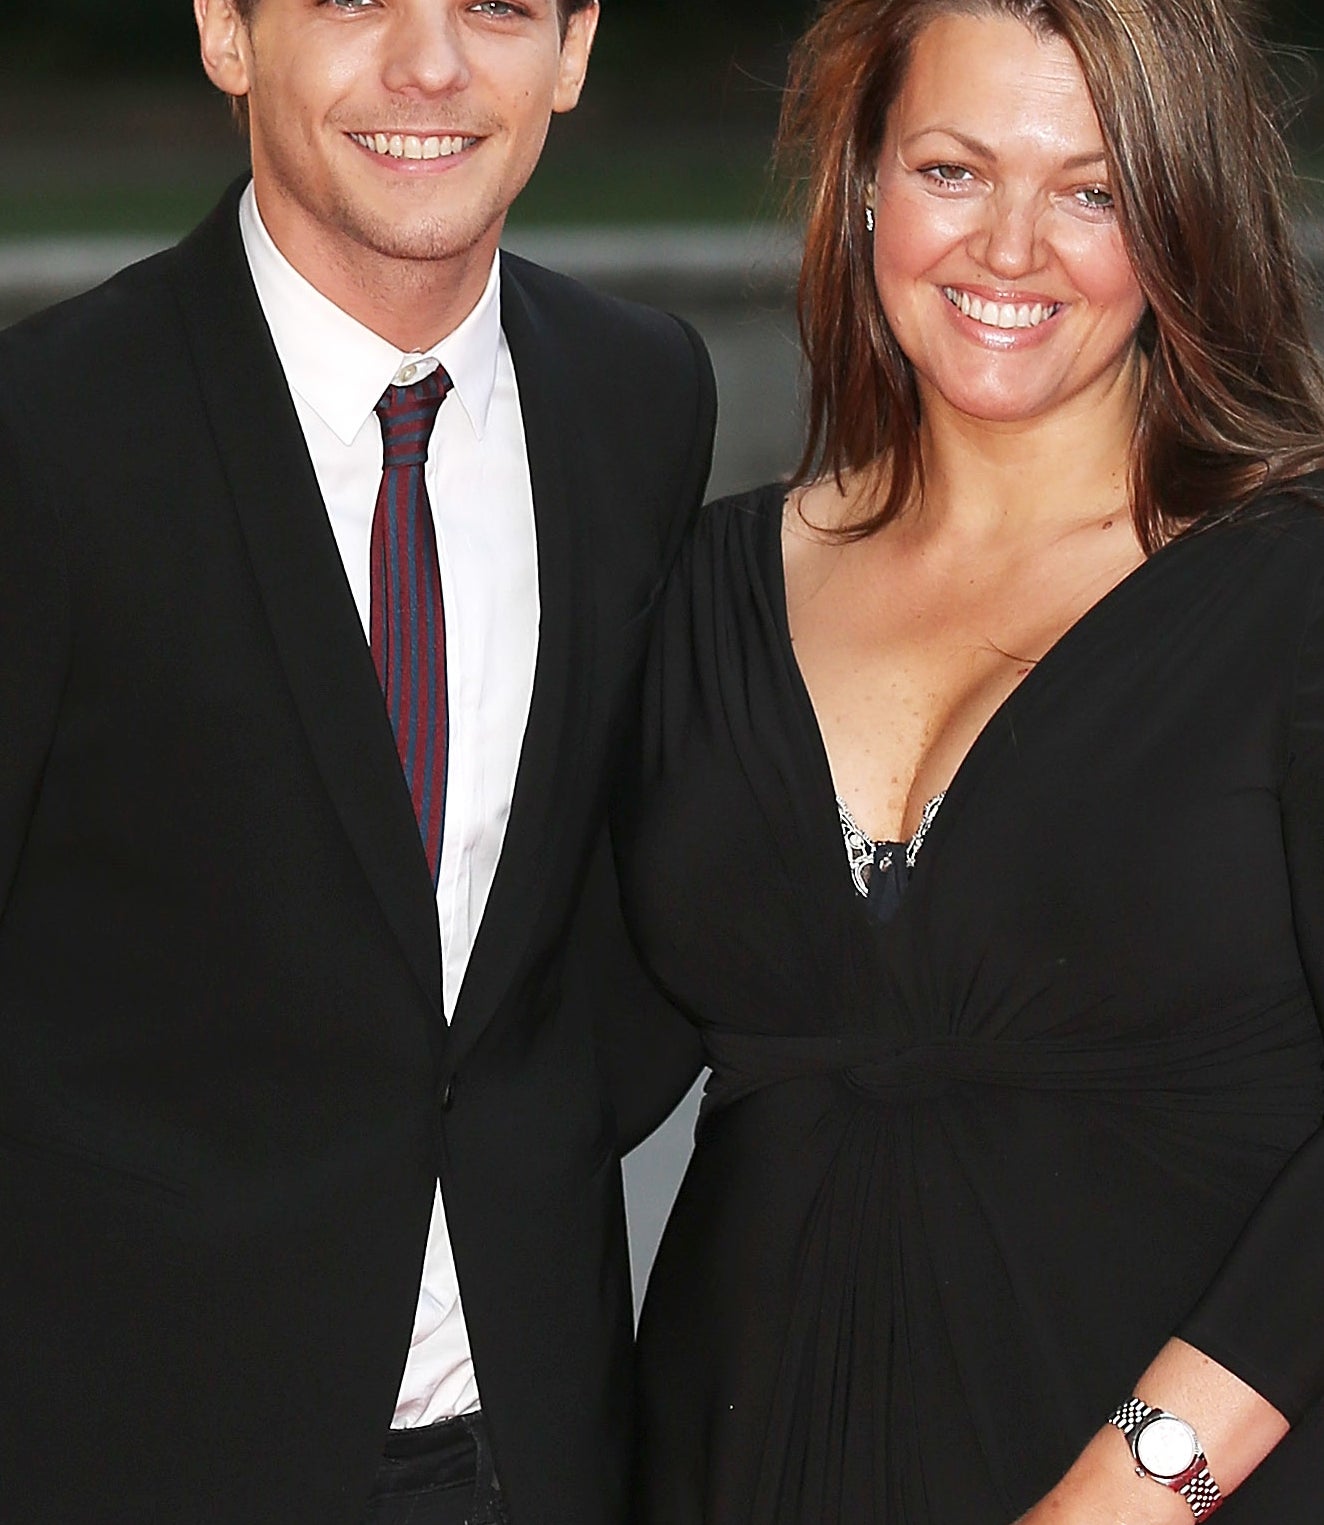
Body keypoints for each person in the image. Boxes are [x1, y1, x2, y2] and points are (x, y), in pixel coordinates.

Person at [0, 0, 715, 1520]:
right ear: (225, 30)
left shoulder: (641, 396)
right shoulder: (45, 438)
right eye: (352, 1)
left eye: (500, 10)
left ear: (576, 50)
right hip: (130, 1458)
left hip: (537, 1451)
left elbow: (603, 915)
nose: (431, 66)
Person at [615, 0, 1324, 1519]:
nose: (1011, 249)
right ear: (865, 183)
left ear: (1182, 219)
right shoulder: (710, 587)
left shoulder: (1290, 597)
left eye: (1092, 191)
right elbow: (532, 1054)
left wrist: (1129, 1492)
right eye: (954, 170)